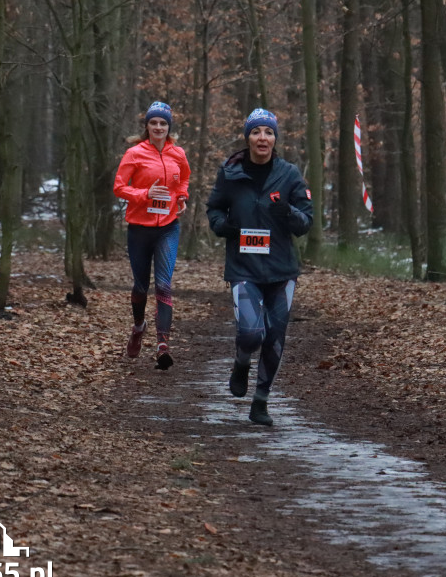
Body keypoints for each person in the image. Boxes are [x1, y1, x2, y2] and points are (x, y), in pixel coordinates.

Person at [206, 108, 313, 426]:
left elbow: (306, 222)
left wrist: (287, 211)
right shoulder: (230, 172)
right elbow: (214, 208)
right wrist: (223, 226)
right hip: (243, 267)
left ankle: (261, 402)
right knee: (252, 333)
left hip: (281, 270)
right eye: (256, 132)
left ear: (274, 138)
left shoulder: (290, 174)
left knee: (275, 336)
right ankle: (241, 362)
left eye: (268, 132)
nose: (262, 138)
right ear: (247, 137)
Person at [113, 101, 191, 370]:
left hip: (168, 226)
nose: (158, 127)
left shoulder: (177, 153)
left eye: (163, 123)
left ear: (169, 127)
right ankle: (138, 327)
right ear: (146, 126)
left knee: (164, 284)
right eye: (154, 123)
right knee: (140, 286)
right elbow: (119, 188)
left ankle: (162, 346)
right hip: (139, 228)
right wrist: (144, 194)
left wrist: (181, 195)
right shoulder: (134, 153)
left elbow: (184, 179)